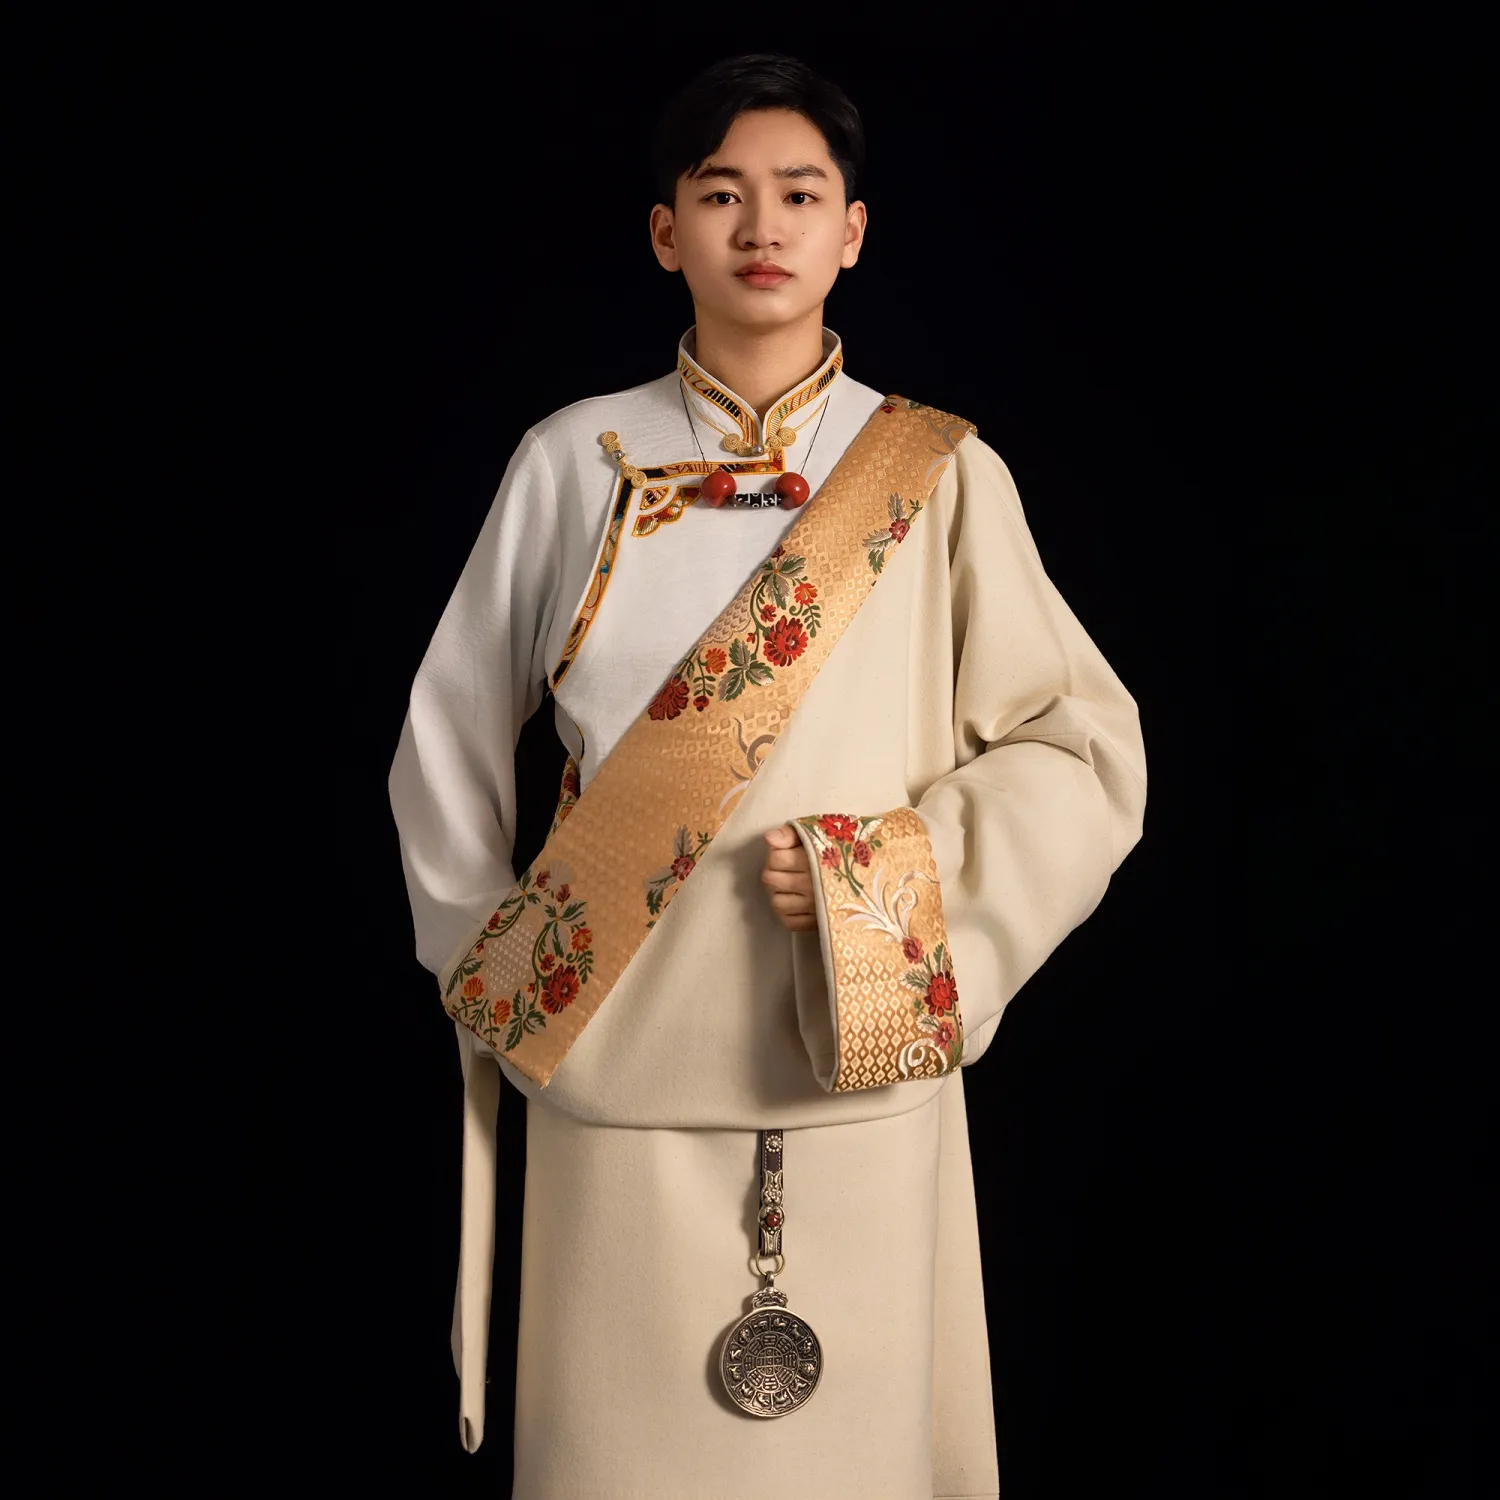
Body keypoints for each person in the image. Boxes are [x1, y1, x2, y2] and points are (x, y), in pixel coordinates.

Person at [388, 51, 1146, 1500]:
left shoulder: (938, 474)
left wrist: (887, 881)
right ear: (665, 230)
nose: (762, 228)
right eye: (721, 193)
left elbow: (1082, 746)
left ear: (851, 230)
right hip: (612, 1052)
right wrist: (502, 960)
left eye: (800, 195)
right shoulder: (572, 461)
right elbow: (446, 735)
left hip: (854, 1053)